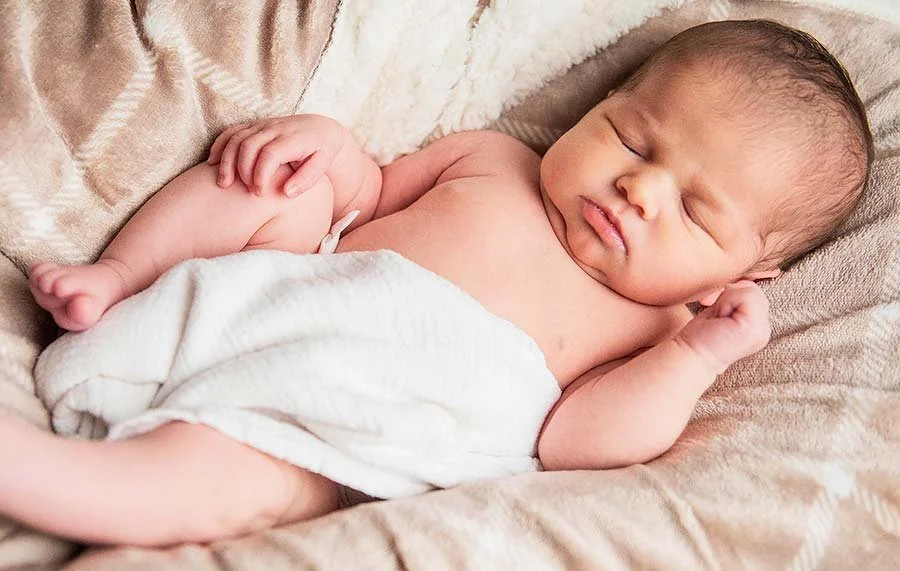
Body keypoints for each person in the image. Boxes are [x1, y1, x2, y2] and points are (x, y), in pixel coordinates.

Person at [2, 19, 872, 546]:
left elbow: (581, 441)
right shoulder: (495, 160)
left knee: (243, 476)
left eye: (694, 209)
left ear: (748, 272)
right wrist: (331, 152)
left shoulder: (658, 330)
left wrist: (700, 353)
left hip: (350, 430)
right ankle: (115, 277)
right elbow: (371, 193)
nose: (638, 190)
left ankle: (49, 479)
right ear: (592, 108)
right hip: (267, 305)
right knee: (280, 182)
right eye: (633, 140)